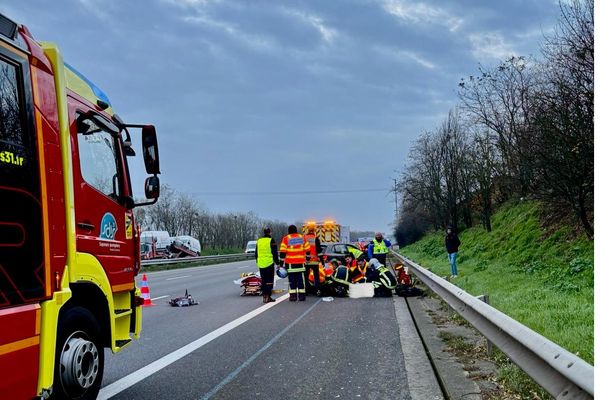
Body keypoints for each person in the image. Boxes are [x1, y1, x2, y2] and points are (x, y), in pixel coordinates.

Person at [279, 225, 310, 301]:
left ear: (289, 231)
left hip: (290, 265)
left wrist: (281, 263)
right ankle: (302, 296)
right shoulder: (302, 237)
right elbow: (308, 249)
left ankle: (293, 297)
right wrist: (308, 258)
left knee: (292, 281)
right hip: (300, 264)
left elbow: (283, 252)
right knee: (301, 281)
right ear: (296, 230)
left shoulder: (286, 239)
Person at [255, 227, 279, 303]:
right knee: (269, 281)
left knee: (264, 280)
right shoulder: (271, 240)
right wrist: (278, 263)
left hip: (261, 263)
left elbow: (256, 253)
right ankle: (268, 296)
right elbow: (274, 253)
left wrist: (257, 261)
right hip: (269, 263)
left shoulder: (259, 241)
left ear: (264, 232)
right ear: (270, 232)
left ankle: (264, 296)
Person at [304, 226, 323, 295]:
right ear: (314, 231)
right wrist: (322, 260)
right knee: (316, 276)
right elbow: (319, 250)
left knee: (306, 277)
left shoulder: (304, 238)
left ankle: (306, 290)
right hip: (314, 261)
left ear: (307, 231)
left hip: (306, 261)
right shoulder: (316, 238)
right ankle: (317, 290)